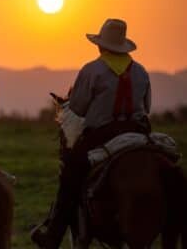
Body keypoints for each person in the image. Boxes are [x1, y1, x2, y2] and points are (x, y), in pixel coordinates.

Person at [31, 18, 152, 248]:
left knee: (69, 177)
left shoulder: (92, 70)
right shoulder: (141, 72)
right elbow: (147, 107)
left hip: (102, 135)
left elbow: (77, 108)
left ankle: (52, 236)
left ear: (100, 45)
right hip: (138, 132)